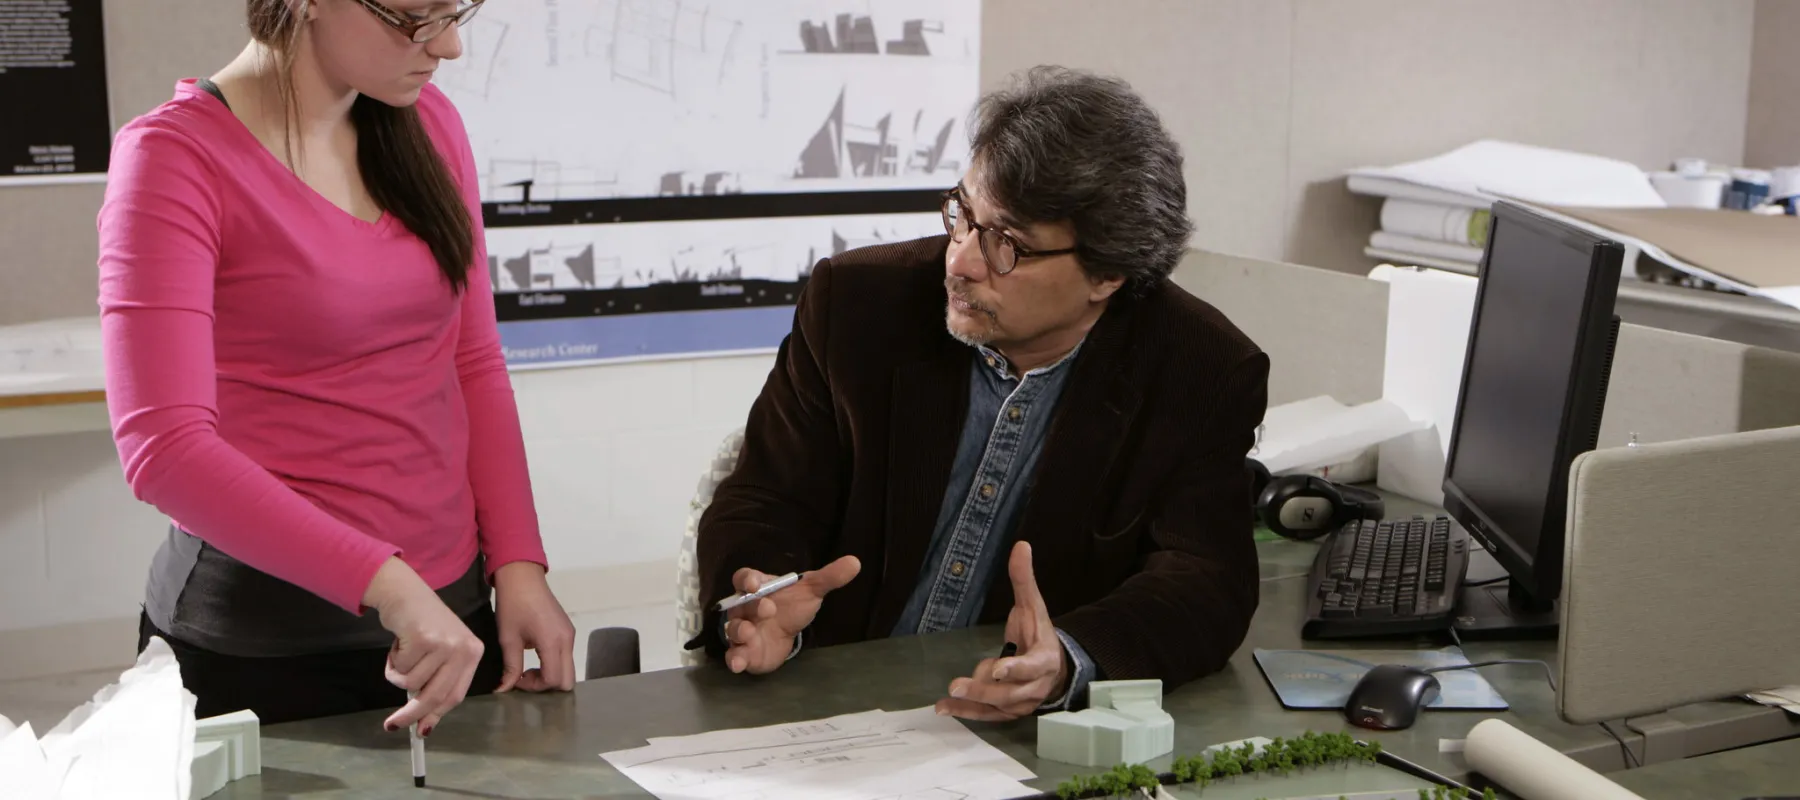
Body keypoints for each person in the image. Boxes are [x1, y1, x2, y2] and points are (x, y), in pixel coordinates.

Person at [687, 66, 1271, 721]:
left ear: (1107, 274)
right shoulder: (856, 305)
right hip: (826, 705)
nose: (960, 261)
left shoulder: (1202, 371)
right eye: (963, 216)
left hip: (1010, 727)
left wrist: (1068, 661)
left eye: (1007, 246)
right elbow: (764, 497)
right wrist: (758, 598)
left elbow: (1205, 580)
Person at [96, 0, 575, 736]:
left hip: (452, 619)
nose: (449, 46)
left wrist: (516, 563)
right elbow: (165, 451)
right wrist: (389, 585)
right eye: (415, 18)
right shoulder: (173, 158)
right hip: (263, 646)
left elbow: (471, 360)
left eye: (456, 12)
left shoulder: (429, 123)